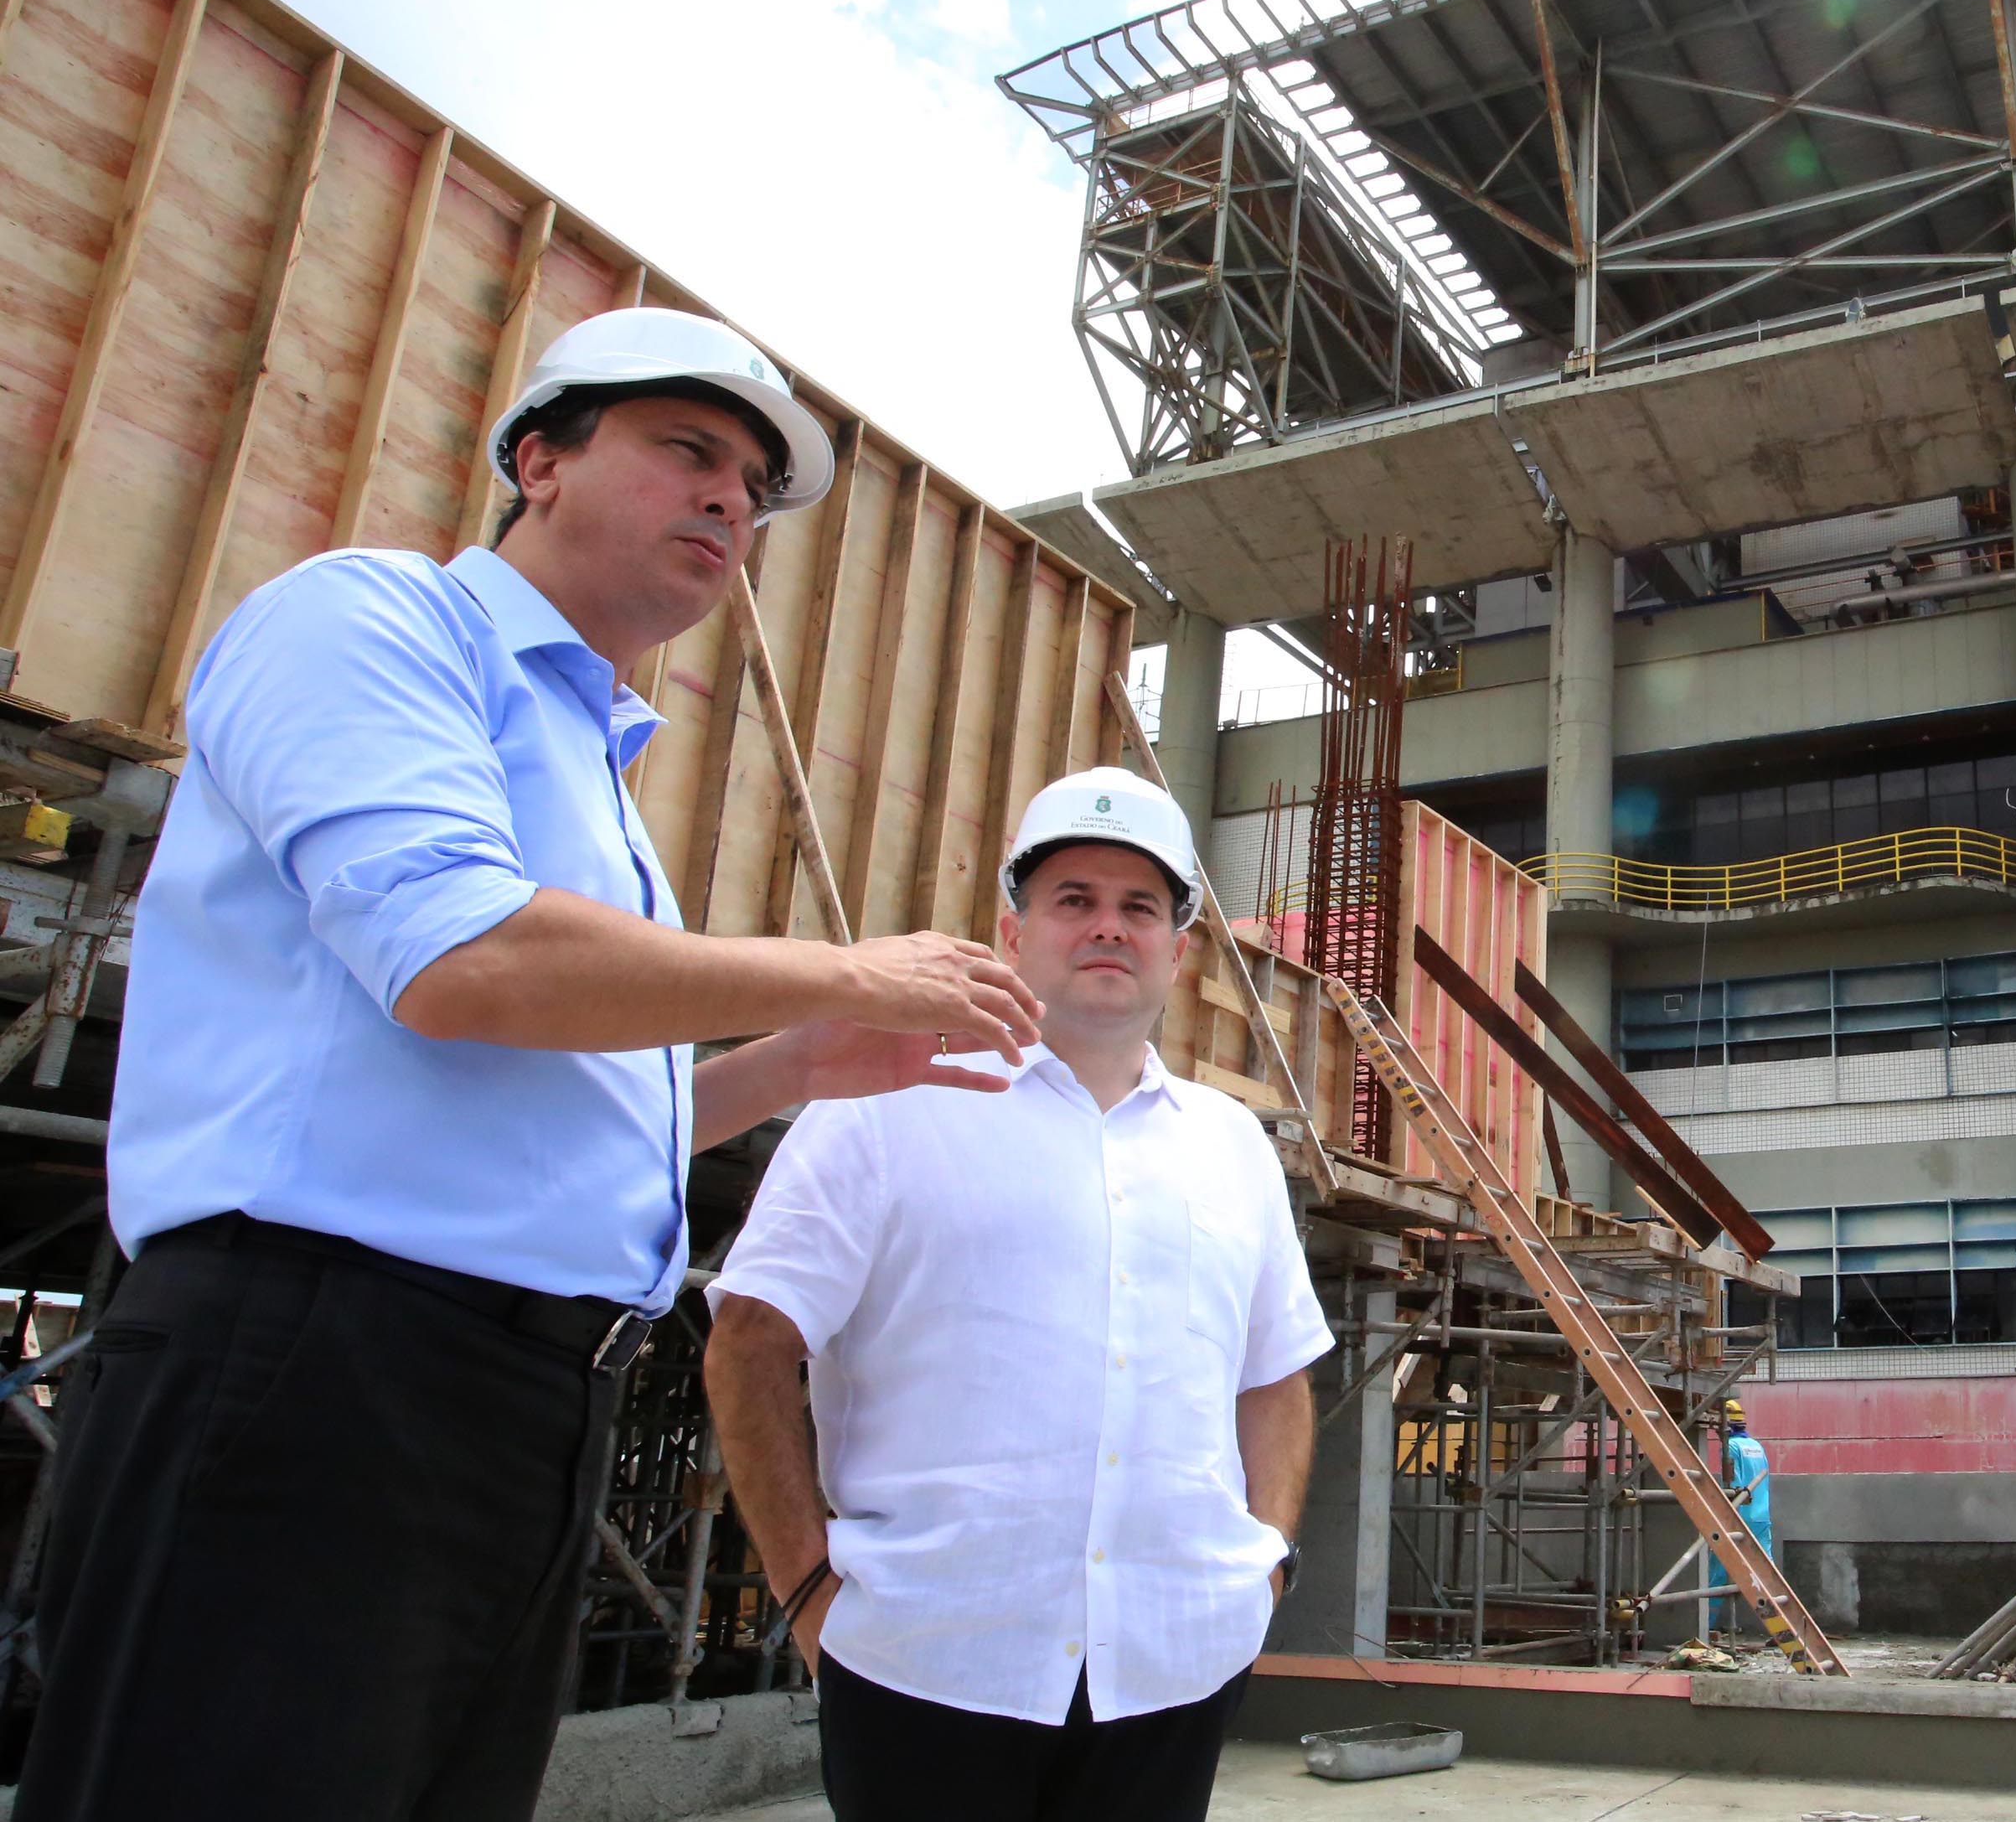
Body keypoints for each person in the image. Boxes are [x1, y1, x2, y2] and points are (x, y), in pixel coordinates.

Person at [22, 308, 1047, 1821]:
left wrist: (790, 1061)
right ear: (539, 458)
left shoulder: (599, 773)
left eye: (753, 489)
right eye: (687, 451)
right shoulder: (374, 621)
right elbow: (463, 965)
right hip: (317, 1364)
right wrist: (844, 964)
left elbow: (546, 1124)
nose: (728, 502)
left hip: (514, 1407)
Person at [706, 765, 1331, 1822]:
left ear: (1176, 952)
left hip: (1171, 1666)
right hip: (927, 1662)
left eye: (1140, 907)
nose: (1107, 928)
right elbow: (749, 1341)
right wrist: (809, 1591)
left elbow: (1274, 1376)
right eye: (1072, 900)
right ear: (1012, 933)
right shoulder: (888, 1100)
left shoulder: (1232, 1148)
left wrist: (1262, 1566)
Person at [1703, 1398, 1776, 1635]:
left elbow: (1733, 1486)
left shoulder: (1731, 1447)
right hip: (1762, 1516)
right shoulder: (1757, 1446)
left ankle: (1705, 1627)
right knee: (1767, 1573)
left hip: (1740, 1517)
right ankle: (1782, 1629)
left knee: (1717, 1574)